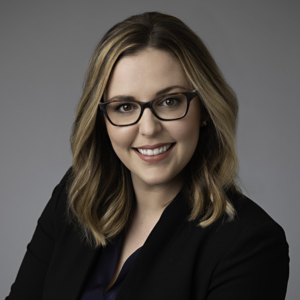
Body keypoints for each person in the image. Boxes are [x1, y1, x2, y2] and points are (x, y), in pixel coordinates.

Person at [6, 12, 289, 300]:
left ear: (204, 109)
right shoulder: (74, 196)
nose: (149, 129)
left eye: (169, 101)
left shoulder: (251, 243)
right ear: (101, 119)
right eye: (125, 107)